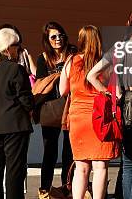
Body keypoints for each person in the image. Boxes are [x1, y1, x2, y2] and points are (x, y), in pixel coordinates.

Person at [87, 8, 132, 199]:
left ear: (129, 24)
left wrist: (110, 94)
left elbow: (91, 75)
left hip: (123, 109)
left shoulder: (119, 47)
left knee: (127, 164)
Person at [60, 25, 119, 199]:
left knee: (81, 167)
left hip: (77, 118)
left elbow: (63, 90)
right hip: (100, 117)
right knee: (100, 167)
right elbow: (115, 88)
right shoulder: (105, 62)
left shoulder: (71, 61)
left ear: (81, 40)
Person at [0, 28, 34, 199]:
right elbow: (26, 99)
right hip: (14, 126)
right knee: (14, 170)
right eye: (17, 45)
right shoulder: (15, 69)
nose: (19, 49)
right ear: (8, 48)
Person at [33, 21, 76, 199]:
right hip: (51, 109)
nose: (58, 39)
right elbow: (41, 84)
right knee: (49, 150)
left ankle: (68, 188)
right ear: (47, 40)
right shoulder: (43, 58)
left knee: (70, 151)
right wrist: (58, 75)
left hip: (71, 107)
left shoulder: (73, 53)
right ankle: (45, 188)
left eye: (61, 35)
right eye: (53, 37)